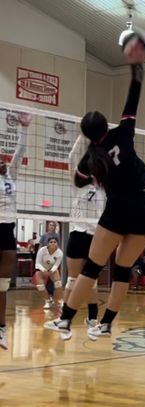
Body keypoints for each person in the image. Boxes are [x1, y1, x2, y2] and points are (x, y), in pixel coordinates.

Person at [44, 50, 145, 340]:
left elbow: (79, 182)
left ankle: (66, 321)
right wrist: (136, 64)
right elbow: (134, 95)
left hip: (118, 207)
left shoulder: (91, 158)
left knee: (92, 267)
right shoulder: (124, 131)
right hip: (143, 206)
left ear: (89, 134)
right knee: (123, 269)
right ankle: (105, 324)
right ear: (107, 125)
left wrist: (90, 165)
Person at [63, 134, 106, 336]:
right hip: (77, 234)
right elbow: (71, 158)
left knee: (91, 281)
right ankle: (65, 321)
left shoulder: (103, 188)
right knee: (72, 279)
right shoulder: (76, 186)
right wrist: (84, 136)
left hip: (94, 236)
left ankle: (92, 319)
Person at [0, 112, 31, 349]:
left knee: (3, 285)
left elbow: (19, 151)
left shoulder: (12, 174)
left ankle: (1, 329)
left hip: (7, 230)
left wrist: (24, 128)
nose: (2, 160)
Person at [34, 238, 64, 312]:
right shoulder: (42, 250)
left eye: (55, 242)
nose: (53, 243)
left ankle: (60, 300)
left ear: (57, 244)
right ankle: (48, 301)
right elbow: (37, 263)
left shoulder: (60, 253)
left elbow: (57, 264)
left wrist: (51, 271)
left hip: (52, 269)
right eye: (51, 242)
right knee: (40, 287)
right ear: (48, 244)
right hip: (40, 268)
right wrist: (44, 270)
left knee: (58, 283)